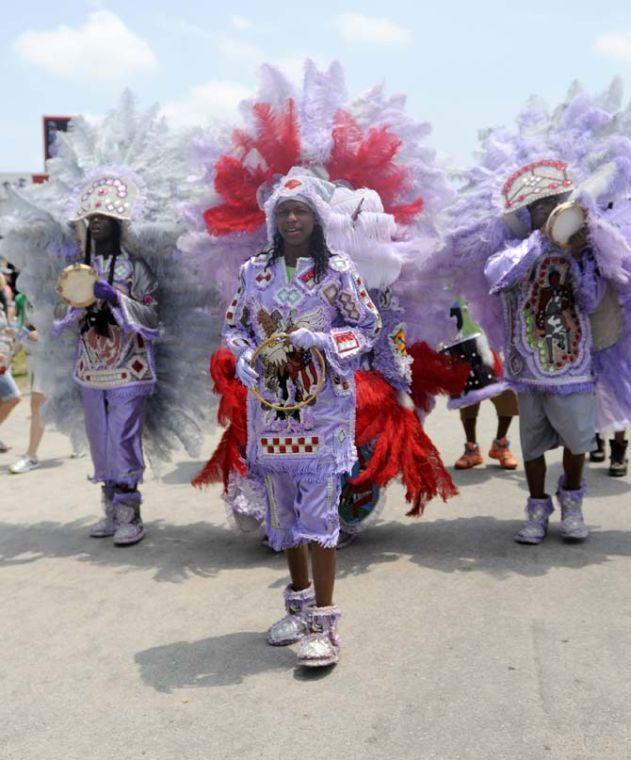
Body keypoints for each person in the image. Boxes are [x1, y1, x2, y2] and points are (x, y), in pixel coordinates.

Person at [223, 172, 381, 667]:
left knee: (320, 517)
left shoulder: (338, 270)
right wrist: (244, 356)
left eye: (301, 210)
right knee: (284, 514)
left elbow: (368, 325)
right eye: (284, 211)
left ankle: (324, 625)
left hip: (325, 412)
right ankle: (297, 605)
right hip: (271, 412)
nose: (292, 219)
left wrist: (328, 342)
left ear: (316, 218)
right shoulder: (255, 272)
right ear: (273, 220)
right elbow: (235, 326)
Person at [54, 178, 160, 547]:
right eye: (91, 217)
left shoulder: (135, 268)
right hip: (91, 368)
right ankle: (110, 509)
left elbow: (151, 316)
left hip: (129, 368)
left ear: (119, 223)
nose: (96, 222)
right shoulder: (76, 269)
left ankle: (131, 513)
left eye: (104, 216)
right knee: (99, 440)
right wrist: (75, 300)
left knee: (124, 438)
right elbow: (60, 313)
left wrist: (115, 297)